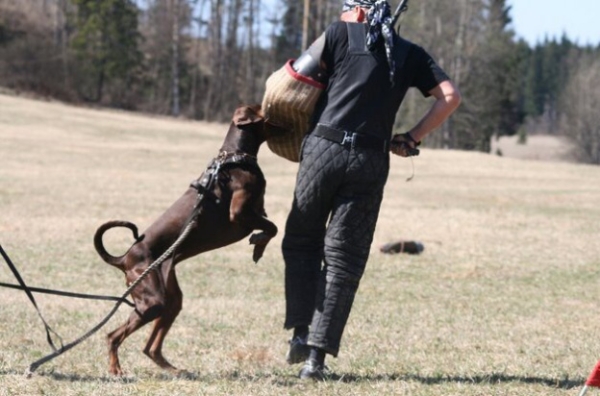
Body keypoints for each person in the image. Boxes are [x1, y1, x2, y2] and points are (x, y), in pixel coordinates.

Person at [281, 0, 462, 380]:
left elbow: (294, 77)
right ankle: (315, 361)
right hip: (370, 160)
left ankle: (300, 334)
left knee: (302, 240)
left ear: (360, 11)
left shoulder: (336, 33)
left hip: (323, 151)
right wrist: (412, 137)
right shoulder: (410, 53)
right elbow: (450, 97)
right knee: (344, 259)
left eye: (346, 8)